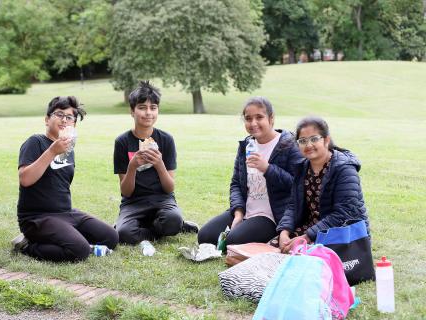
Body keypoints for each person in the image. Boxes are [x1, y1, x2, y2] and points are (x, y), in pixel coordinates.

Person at [12, 96, 118, 262]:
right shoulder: (35, 142)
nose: (64, 120)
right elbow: (25, 179)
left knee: (111, 237)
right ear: (47, 120)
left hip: (65, 213)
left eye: (69, 117)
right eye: (59, 115)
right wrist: (52, 151)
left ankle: (69, 237)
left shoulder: (69, 150)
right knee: (80, 251)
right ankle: (27, 246)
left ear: (74, 124)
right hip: (37, 218)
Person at [197, 97, 303, 246]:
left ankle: (270, 236)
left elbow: (297, 186)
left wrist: (267, 168)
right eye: (248, 119)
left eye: (259, 117)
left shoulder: (288, 145)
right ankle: (243, 225)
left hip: (271, 215)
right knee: (205, 236)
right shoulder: (246, 145)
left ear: (271, 119)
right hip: (246, 210)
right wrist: (238, 213)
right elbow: (236, 184)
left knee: (234, 240)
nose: (253, 123)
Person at [113, 81, 198, 244]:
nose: (148, 113)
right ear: (132, 111)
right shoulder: (122, 142)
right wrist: (132, 167)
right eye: (142, 107)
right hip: (133, 202)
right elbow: (126, 192)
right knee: (124, 234)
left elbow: (169, 187)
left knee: (172, 220)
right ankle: (165, 227)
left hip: (163, 200)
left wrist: (159, 164)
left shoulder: (166, 140)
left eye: (153, 107)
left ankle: (173, 224)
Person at [276, 116, 369, 253]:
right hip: (312, 230)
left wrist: (307, 237)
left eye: (314, 139)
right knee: (276, 249)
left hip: (342, 234)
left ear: (326, 140)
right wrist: (284, 231)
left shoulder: (344, 168)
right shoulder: (302, 168)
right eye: (302, 141)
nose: (308, 145)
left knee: (300, 257)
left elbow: (343, 214)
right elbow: (293, 205)